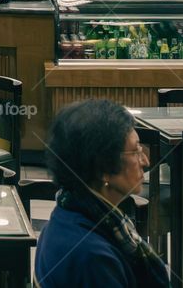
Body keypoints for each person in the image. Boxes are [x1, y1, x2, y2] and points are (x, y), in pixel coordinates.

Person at [35, 99, 168, 288]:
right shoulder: (94, 258)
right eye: (136, 151)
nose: (145, 161)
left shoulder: (65, 216)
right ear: (104, 166)